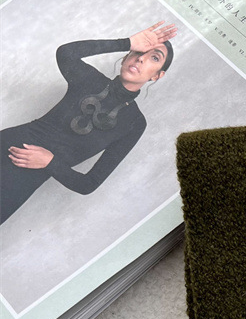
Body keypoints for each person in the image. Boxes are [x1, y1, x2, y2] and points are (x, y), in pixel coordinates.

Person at [0, 22, 177, 224]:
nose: (141, 58)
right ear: (126, 57)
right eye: (138, 51)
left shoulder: (134, 123)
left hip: (24, 178)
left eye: (154, 57)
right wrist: (127, 42)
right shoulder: (89, 79)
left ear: (157, 75)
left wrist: (50, 162)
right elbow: (66, 53)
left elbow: (88, 183)